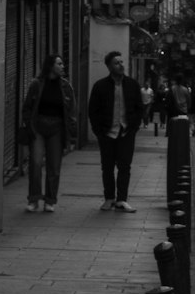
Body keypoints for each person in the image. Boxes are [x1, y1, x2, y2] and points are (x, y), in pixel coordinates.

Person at [87, 51, 144, 212]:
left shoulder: (132, 85)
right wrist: (99, 131)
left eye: (122, 62)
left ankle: (122, 199)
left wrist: (134, 127)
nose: (121, 65)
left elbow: (139, 108)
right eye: (116, 63)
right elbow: (93, 110)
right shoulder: (100, 86)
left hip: (126, 132)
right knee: (107, 167)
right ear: (109, 66)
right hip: (107, 133)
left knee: (125, 166)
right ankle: (109, 198)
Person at [21, 55, 77, 213]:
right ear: (51, 66)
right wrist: (28, 124)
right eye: (59, 64)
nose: (63, 66)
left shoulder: (66, 87)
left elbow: (71, 111)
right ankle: (34, 199)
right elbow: (27, 107)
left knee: (54, 166)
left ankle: (50, 200)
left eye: (62, 63)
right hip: (38, 126)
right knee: (36, 163)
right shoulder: (36, 84)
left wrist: (72, 134)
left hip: (57, 128)